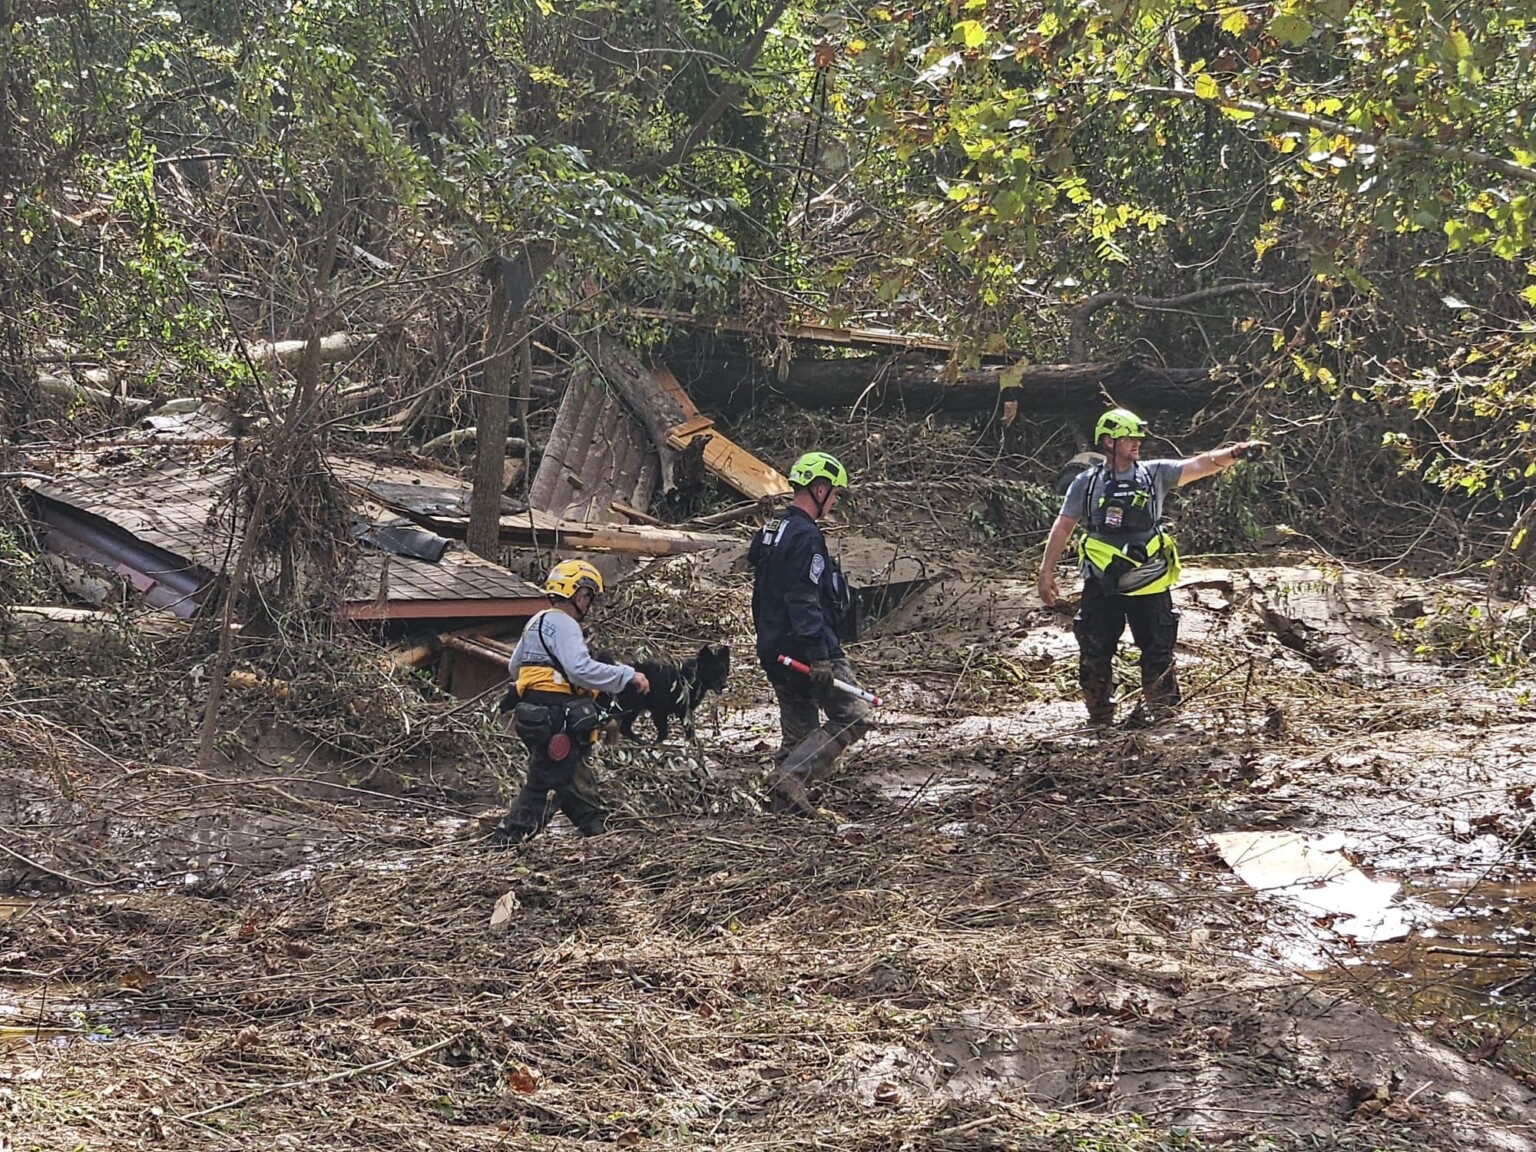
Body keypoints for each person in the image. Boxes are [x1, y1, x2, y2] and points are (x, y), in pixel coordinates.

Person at [1037, 409, 1267, 726]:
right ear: (1108, 441)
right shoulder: (1085, 484)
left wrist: (1236, 453)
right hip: (1102, 584)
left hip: (1151, 583)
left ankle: (1165, 717)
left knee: (1158, 652)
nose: (1137, 444)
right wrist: (1046, 571)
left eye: (1138, 438)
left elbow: (1198, 465)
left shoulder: (1154, 473)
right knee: (1094, 652)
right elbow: (1063, 526)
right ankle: (1100, 719)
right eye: (1130, 438)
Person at [492, 559, 649, 844]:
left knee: (569, 774)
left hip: (533, 715)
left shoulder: (535, 622)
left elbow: (516, 667)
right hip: (558, 717)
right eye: (589, 597)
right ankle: (509, 839)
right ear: (580, 595)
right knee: (545, 782)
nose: (588, 604)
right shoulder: (566, 625)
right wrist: (627, 675)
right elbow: (581, 670)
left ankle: (597, 830)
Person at [749, 451, 871, 814]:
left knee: (799, 734)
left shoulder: (771, 530)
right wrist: (819, 653)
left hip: (773, 647)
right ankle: (790, 777)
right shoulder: (806, 536)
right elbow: (803, 596)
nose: (834, 502)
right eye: (833, 494)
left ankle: (781, 807)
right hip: (807, 649)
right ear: (819, 490)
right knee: (856, 715)